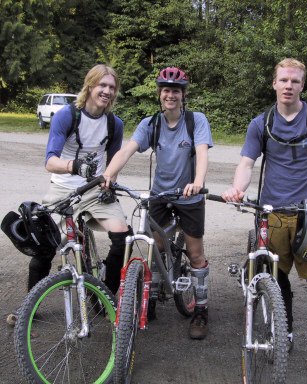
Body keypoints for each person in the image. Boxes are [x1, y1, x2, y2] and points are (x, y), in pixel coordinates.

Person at [222, 58, 307, 384]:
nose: (288, 86)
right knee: (277, 281)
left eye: (294, 81)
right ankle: (286, 333)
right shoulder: (261, 123)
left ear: (302, 85)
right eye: (283, 80)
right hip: (272, 215)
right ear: (274, 83)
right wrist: (238, 187)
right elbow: (246, 162)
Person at [6, 64, 132, 324]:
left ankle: (105, 295)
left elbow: (113, 163)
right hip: (63, 188)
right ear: (90, 86)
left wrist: (109, 183)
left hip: (95, 190)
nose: (107, 91)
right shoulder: (67, 115)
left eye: (111, 87)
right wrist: (73, 166)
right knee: (45, 246)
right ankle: (30, 307)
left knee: (122, 234)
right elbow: (49, 161)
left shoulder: (114, 124)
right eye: (102, 86)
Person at [103, 66, 213, 340]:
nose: (170, 95)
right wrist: (108, 175)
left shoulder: (195, 121)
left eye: (175, 90)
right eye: (166, 90)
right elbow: (126, 150)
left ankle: (200, 309)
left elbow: (201, 153)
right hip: (160, 195)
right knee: (154, 248)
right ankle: (149, 297)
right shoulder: (150, 123)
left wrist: (197, 181)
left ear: (183, 95)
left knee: (195, 253)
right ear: (159, 94)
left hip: (189, 196)